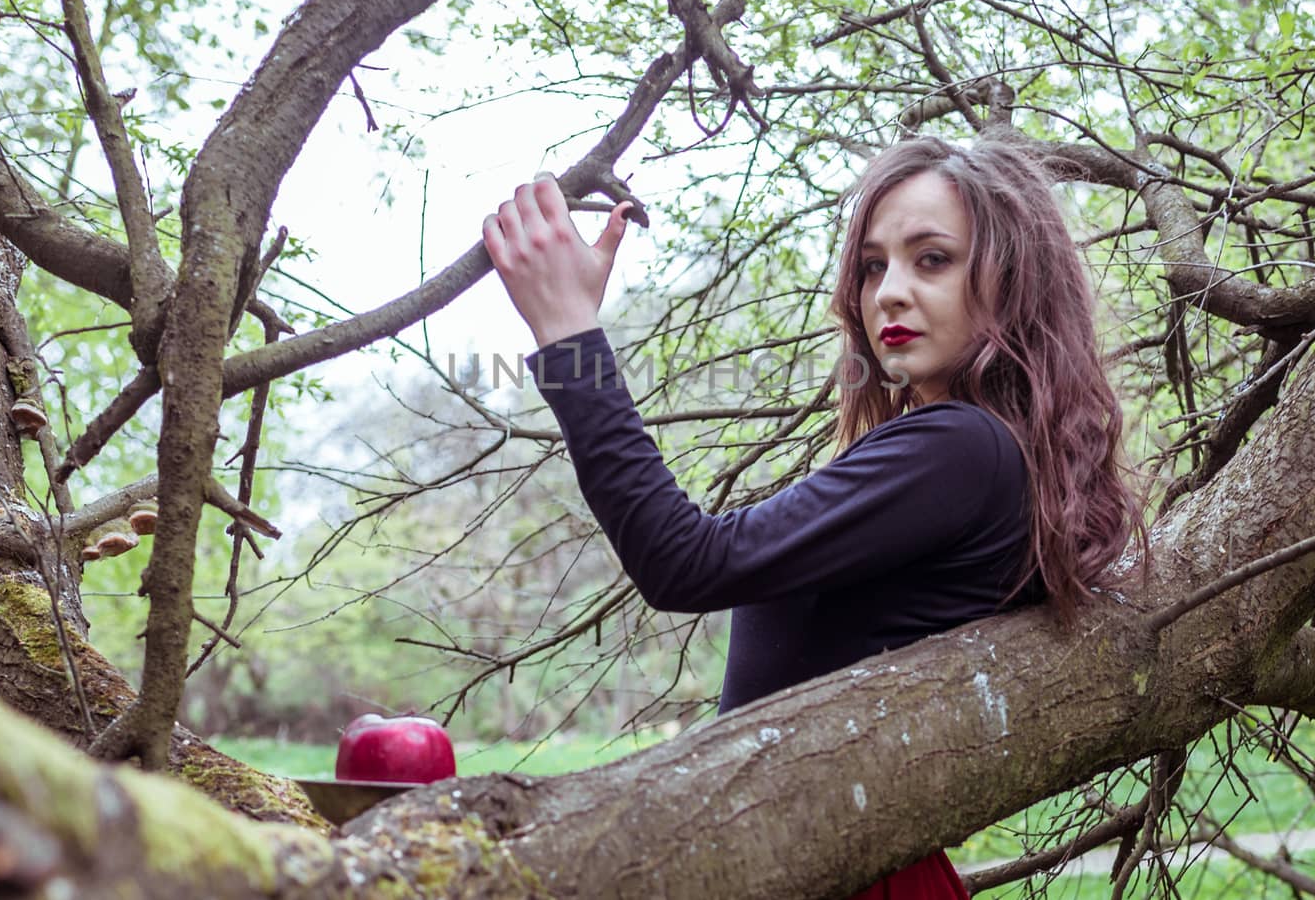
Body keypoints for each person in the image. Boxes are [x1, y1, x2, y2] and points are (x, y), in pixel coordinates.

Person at [481, 136, 1143, 899]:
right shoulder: (993, 453)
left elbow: (686, 561)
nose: (890, 291)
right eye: (872, 265)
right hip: (836, 858)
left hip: (843, 870)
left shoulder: (963, 447)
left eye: (932, 259)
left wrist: (570, 335)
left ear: (1014, 279)